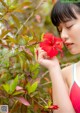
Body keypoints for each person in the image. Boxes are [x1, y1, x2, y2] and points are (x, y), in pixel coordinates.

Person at [36, 1, 80, 113]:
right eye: (59, 30)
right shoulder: (66, 74)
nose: (63, 36)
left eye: (69, 26)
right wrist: (54, 68)